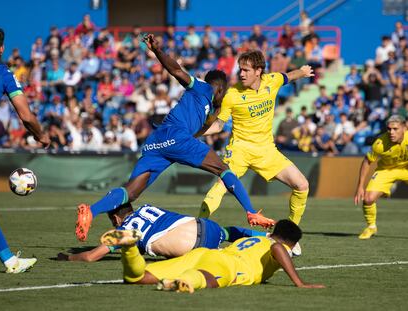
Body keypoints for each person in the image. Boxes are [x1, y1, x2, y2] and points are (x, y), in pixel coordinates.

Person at [75, 34, 274, 242]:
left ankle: (91, 210)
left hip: (156, 141)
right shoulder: (202, 87)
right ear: (220, 89)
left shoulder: (205, 109)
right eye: (223, 95)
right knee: (224, 170)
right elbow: (176, 70)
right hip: (176, 137)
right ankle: (251, 212)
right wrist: (158, 51)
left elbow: (207, 126)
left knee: (131, 193)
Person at [199, 50, 313, 233]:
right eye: (240, 69)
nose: (241, 74)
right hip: (239, 151)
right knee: (220, 187)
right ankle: (198, 228)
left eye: (246, 70)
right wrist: (193, 134)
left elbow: (289, 77)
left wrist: (303, 71)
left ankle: (289, 233)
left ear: (259, 71)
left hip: (266, 150)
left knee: (302, 185)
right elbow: (219, 126)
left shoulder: (272, 81)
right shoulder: (232, 94)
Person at [100, 219, 324, 292]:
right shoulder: (278, 246)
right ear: (289, 242)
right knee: (209, 280)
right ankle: (185, 282)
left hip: (203, 254)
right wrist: (299, 282)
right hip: (229, 265)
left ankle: (129, 246)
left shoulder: (254, 240)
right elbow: (277, 249)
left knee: (137, 278)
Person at [0, 28, 50, 273]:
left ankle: (10, 260)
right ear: (2, 48)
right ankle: (10, 262)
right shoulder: (4, 74)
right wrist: (41, 134)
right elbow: (25, 115)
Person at [59, 202, 266, 262]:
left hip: (192, 247)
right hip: (206, 226)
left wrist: (67, 257)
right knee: (229, 233)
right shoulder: (147, 207)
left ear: (115, 219)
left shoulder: (123, 230)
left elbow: (91, 256)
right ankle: (268, 238)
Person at [354, 115, 408, 239]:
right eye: (389, 129)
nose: (391, 132)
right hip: (386, 170)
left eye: (395, 129)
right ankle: (371, 227)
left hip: (406, 168)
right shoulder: (380, 143)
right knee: (368, 198)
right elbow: (367, 161)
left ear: (405, 128)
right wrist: (360, 186)